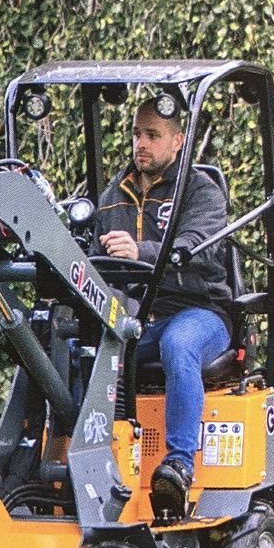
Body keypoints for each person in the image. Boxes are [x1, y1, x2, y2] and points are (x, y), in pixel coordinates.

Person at [91, 98, 231, 519]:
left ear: (178, 141)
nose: (141, 143)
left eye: (153, 135)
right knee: (78, 346)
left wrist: (140, 252)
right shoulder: (113, 197)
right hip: (138, 316)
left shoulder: (201, 191)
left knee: (179, 344)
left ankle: (178, 465)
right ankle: (81, 458)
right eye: (137, 134)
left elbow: (200, 251)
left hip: (201, 311)